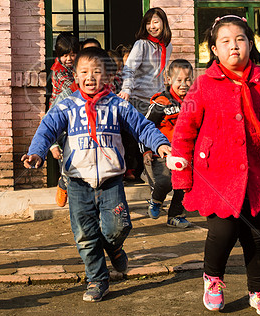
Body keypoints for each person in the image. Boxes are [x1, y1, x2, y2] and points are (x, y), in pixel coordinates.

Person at [171, 14, 260, 315]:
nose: (234, 46)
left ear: (250, 43)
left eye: (240, 39)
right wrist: (182, 177)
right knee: (222, 232)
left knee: (256, 236)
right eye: (225, 41)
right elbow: (184, 131)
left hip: (257, 173)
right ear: (214, 50)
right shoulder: (203, 84)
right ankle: (213, 278)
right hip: (215, 174)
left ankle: (259, 290)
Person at [21, 47, 172, 302]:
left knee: (118, 227)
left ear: (106, 77)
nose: (90, 77)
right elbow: (46, 129)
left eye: (96, 72)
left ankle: (114, 247)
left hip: (111, 181)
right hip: (78, 181)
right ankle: (97, 280)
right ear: (76, 77)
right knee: (84, 234)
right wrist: (36, 152)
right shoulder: (67, 105)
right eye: (84, 72)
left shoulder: (117, 105)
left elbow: (142, 126)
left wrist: (160, 143)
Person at [142, 58, 194, 228]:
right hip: (163, 152)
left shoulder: (194, 101)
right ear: (169, 80)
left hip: (185, 153)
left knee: (183, 185)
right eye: (179, 80)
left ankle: (175, 215)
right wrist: (146, 150)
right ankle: (156, 199)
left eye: (187, 80)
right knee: (165, 182)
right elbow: (145, 127)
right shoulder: (161, 102)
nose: (184, 84)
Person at [120, 7, 173, 114]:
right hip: (139, 99)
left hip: (157, 100)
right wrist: (126, 89)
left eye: (156, 22)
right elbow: (129, 69)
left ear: (164, 23)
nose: (152, 26)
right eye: (148, 23)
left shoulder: (167, 46)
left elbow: (160, 73)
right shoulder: (142, 44)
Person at [48, 32, 79, 207]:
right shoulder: (59, 73)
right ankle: (63, 183)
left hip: (77, 118)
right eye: (64, 55)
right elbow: (75, 88)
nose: (68, 58)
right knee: (67, 159)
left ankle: (66, 183)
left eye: (72, 54)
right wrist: (52, 144)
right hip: (62, 119)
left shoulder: (77, 68)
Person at [49, 31, 78, 100]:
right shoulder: (59, 71)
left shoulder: (74, 67)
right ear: (59, 55)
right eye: (65, 56)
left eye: (72, 55)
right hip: (60, 106)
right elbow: (74, 90)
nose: (69, 59)